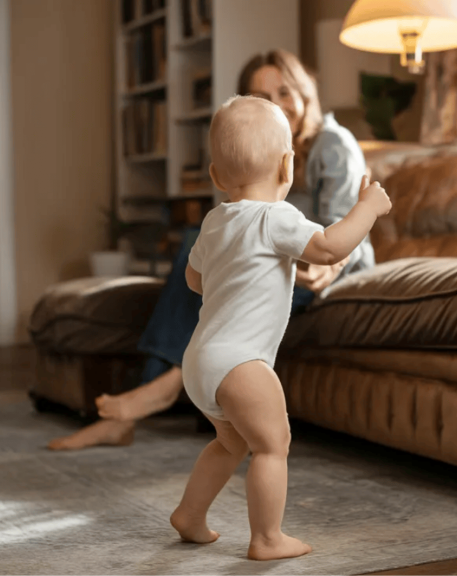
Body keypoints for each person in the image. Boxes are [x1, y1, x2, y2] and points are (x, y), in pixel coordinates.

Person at [47, 49, 374, 451]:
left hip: (327, 261)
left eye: (285, 91)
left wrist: (329, 265)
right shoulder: (261, 150)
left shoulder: (332, 144)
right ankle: (145, 399)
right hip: (276, 254)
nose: (276, 103)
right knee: (193, 248)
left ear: (305, 92)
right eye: (261, 95)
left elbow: (340, 230)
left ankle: (157, 393)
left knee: (247, 266)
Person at [168, 95, 390, 561]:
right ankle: (267, 538)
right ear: (289, 166)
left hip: (200, 360)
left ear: (214, 177)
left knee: (229, 442)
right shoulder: (277, 218)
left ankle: (190, 514)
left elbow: (194, 280)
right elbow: (329, 248)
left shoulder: (213, 222)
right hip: (241, 362)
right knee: (273, 444)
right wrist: (367, 208)